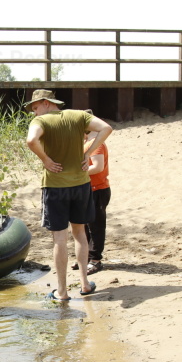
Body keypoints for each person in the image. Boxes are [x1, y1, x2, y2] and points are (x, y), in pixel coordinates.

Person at [24, 90, 113, 300]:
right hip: (81, 185)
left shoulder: (42, 121)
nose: (35, 113)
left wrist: (45, 160)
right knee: (80, 234)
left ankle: (62, 292)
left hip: (55, 187)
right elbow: (106, 128)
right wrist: (88, 153)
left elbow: (31, 140)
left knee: (59, 239)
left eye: (35, 108)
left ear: (45, 103)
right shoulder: (78, 115)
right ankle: (84, 284)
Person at [84, 129, 110, 274]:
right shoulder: (87, 142)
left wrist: (75, 171)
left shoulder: (96, 143)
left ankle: (95, 260)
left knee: (96, 226)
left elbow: (97, 167)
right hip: (88, 189)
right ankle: (87, 258)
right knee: (85, 225)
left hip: (97, 189)